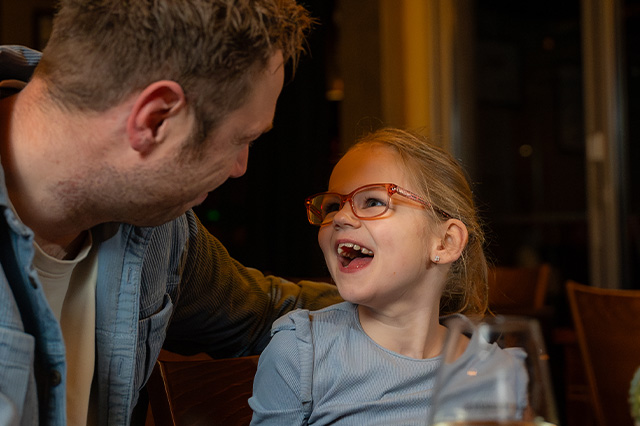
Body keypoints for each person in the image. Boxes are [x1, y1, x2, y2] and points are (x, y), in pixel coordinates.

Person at [0, 1, 342, 425]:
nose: (241, 169)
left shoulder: (159, 229)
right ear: (156, 119)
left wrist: (429, 294)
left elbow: (264, 313)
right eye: (242, 140)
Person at [249, 128, 528, 424]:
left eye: (373, 202)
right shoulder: (302, 355)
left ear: (445, 242)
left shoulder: (497, 373)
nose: (340, 217)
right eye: (333, 205)